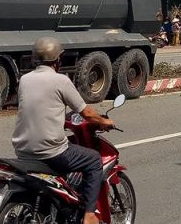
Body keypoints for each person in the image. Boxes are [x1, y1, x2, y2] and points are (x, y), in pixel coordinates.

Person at [12, 37, 115, 224]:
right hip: (51, 152)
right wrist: (104, 121)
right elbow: (87, 113)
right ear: (58, 60)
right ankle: (90, 215)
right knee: (92, 159)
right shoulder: (61, 80)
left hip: (22, 150)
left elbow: (39, 108)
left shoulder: (25, 80)